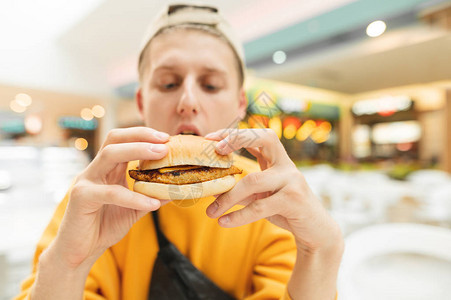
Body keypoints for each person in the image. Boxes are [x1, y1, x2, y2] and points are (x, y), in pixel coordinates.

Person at [16, 4, 343, 300]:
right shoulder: (96, 197)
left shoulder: (268, 198)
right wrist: (68, 266)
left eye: (211, 85)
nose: (188, 101)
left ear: (239, 104)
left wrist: (322, 254)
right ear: (142, 103)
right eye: (169, 84)